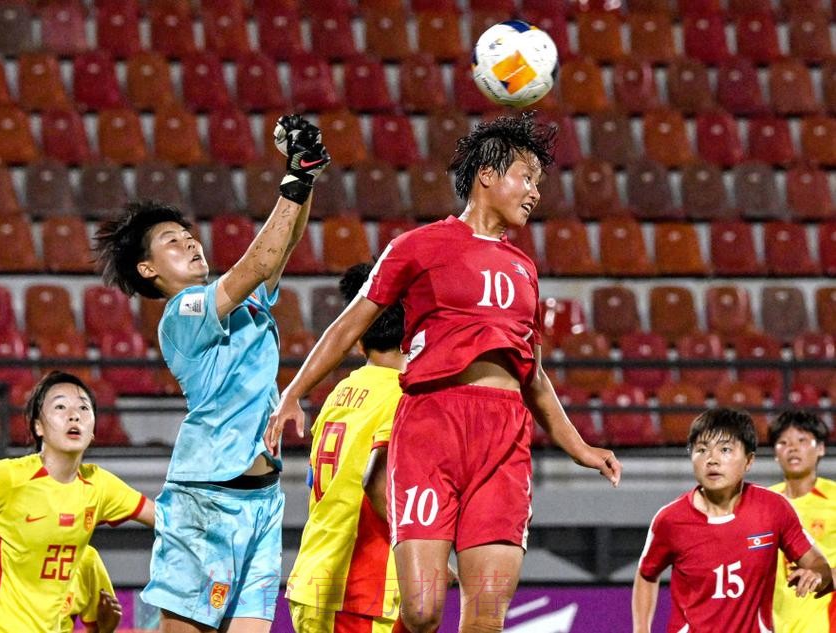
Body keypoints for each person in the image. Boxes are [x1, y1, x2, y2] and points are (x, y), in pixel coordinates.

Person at [266, 113, 621, 633]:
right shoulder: (418, 246)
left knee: (486, 614)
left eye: (538, 184)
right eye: (526, 178)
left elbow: (535, 376)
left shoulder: (525, 268)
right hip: (431, 426)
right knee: (422, 610)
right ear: (487, 175)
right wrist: (294, 391)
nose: (535, 193)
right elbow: (349, 325)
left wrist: (579, 446)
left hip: (504, 436)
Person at [93, 114, 330, 633]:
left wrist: (305, 175)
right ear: (148, 270)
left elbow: (282, 248)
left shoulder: (242, 300)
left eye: (188, 236)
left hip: (263, 502)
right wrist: (295, 176)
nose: (190, 244)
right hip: (205, 501)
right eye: (171, 243)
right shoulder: (182, 314)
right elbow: (257, 264)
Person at [0, 371, 155, 633]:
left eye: (84, 408)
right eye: (60, 407)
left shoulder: (100, 485)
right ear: (38, 427)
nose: (74, 415)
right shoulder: (5, 476)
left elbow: (165, 521)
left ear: (93, 430)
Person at [632, 408, 833, 633]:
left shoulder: (773, 508)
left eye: (725, 449)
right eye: (701, 450)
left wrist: (818, 575)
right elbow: (647, 574)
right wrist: (641, 630)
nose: (712, 460)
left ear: (749, 460)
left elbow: (818, 564)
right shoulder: (670, 519)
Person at [286, 263, 406, 633]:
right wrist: (422, 550)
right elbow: (376, 483)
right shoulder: (405, 396)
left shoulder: (339, 393)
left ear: (357, 340)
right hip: (358, 589)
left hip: (315, 577)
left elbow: (317, 480)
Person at [769, 410, 836, 632]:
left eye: (802, 440)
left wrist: (825, 575)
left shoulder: (834, 497)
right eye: (783, 442)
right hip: (776, 625)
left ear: (821, 448)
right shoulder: (763, 503)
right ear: (775, 453)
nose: (792, 448)